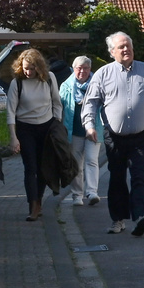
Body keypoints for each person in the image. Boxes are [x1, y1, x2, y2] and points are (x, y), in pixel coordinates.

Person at [82, 32, 144, 237]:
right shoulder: (103, 74)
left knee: (139, 174)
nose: (126, 49)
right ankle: (118, 219)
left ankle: (141, 217)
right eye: (121, 47)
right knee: (117, 178)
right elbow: (91, 102)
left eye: (128, 45)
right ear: (112, 52)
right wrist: (90, 126)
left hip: (142, 134)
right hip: (114, 136)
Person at [6, 48, 62, 221]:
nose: (28, 72)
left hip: (46, 128)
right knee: (30, 168)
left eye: (31, 68)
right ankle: (33, 205)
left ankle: (39, 201)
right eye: (25, 68)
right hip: (26, 128)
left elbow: (57, 103)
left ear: (39, 67)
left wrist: (56, 125)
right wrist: (13, 137)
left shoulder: (50, 79)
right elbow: (10, 111)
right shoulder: (17, 83)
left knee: (43, 168)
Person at [58, 56, 102, 207]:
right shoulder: (66, 86)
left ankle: (92, 192)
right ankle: (77, 195)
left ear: (90, 69)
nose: (82, 71)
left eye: (86, 68)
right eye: (79, 68)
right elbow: (59, 107)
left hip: (94, 130)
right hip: (73, 131)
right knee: (76, 163)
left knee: (91, 160)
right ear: (73, 69)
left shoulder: (98, 84)